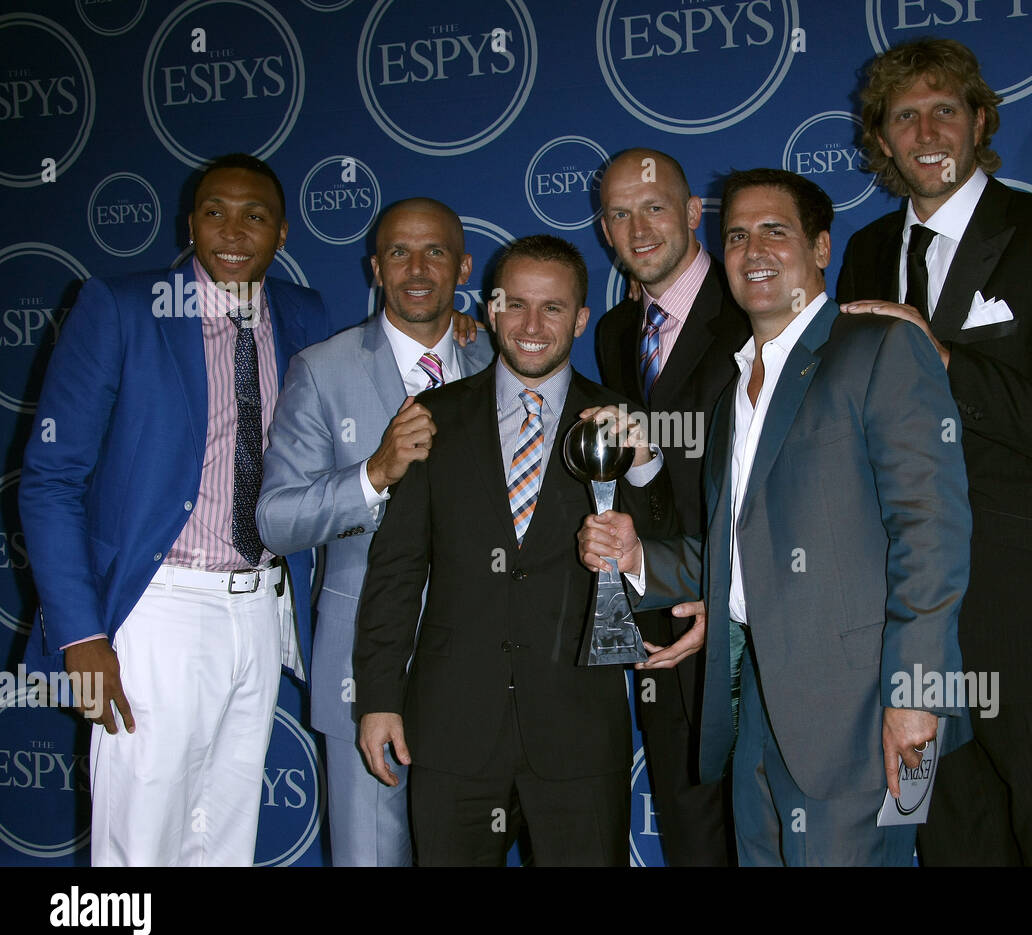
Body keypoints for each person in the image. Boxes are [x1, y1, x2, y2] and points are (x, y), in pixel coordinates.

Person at [581, 169, 971, 866]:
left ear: (821, 248)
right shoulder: (735, 388)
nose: (753, 250)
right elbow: (738, 550)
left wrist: (917, 693)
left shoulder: (880, 347)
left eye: (774, 231)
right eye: (736, 235)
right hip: (755, 704)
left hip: (862, 707)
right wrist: (640, 559)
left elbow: (931, 531)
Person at [837, 37, 1032, 865]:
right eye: (903, 116)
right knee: (952, 841)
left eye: (944, 110)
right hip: (909, 618)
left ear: (981, 121)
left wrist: (946, 360)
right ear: (880, 139)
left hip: (1026, 607)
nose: (925, 133)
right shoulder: (865, 253)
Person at [19, 153, 329, 866]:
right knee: (140, 843)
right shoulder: (122, 307)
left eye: (254, 216)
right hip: (158, 608)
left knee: (224, 837)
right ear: (190, 223)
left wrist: (455, 335)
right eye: (214, 212)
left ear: (282, 233)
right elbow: (52, 478)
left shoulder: (303, 314)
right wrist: (81, 635)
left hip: (261, 606)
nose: (232, 232)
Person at [352, 235, 675, 866]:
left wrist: (643, 467)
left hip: (579, 730)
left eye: (553, 308)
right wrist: (379, 697)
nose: (532, 326)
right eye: (516, 305)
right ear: (491, 309)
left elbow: (666, 549)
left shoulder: (620, 421)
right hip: (452, 728)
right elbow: (396, 569)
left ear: (580, 319)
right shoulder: (431, 418)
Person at [257, 198, 494, 866]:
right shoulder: (322, 369)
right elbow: (276, 520)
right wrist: (373, 474)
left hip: (482, 668)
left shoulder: (497, 357)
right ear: (375, 267)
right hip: (362, 670)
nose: (416, 269)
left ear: (463, 267)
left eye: (435, 252)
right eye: (398, 253)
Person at [593, 148, 749, 866]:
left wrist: (733, 596)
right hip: (659, 622)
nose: (639, 229)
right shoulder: (614, 332)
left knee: (767, 834)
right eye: (620, 214)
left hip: (748, 621)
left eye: (654, 208)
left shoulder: (753, 306)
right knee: (690, 834)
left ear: (691, 214)